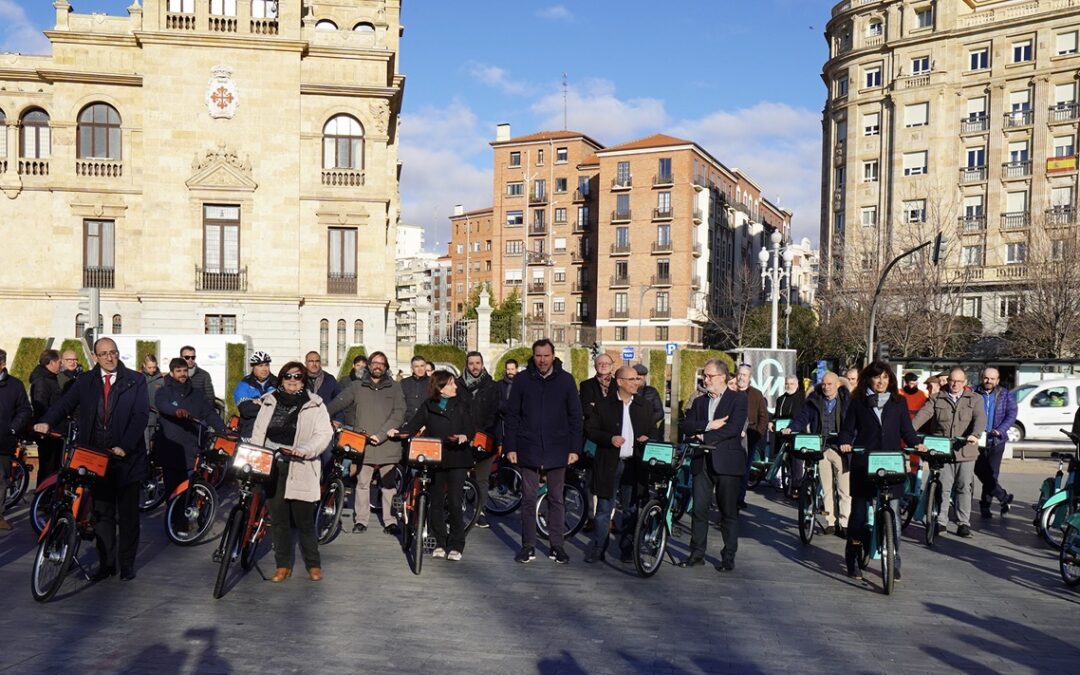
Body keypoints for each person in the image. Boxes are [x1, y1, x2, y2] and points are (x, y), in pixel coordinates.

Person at [35, 338, 149, 580]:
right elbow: (65, 404)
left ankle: (126, 563)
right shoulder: (86, 381)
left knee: (128, 516)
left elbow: (140, 416)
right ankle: (107, 563)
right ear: (95, 357)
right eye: (104, 353)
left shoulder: (135, 380)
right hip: (96, 458)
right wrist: (47, 421)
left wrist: (124, 446)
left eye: (113, 352)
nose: (110, 357)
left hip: (126, 458)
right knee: (102, 514)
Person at [838, 361, 925, 580]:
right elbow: (847, 429)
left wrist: (917, 444)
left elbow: (907, 430)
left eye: (885, 378)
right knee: (858, 516)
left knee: (894, 514)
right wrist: (845, 442)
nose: (881, 382)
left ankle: (893, 558)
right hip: (864, 463)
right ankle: (854, 556)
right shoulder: (857, 402)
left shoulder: (899, 402)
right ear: (868, 378)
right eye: (877, 377)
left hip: (891, 463)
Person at [249, 361, 334, 582]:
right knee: (278, 519)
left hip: (301, 464)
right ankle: (282, 565)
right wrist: (257, 456)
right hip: (273, 464)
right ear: (282, 379)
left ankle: (313, 565)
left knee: (304, 520)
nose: (292, 380)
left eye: (297, 377)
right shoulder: (269, 401)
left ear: (304, 380)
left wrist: (303, 451)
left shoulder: (315, 405)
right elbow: (259, 432)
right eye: (288, 376)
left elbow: (324, 434)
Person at [504, 339, 583, 564]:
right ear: (533, 355)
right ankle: (527, 546)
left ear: (553, 355)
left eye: (546, 356)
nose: (542, 360)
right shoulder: (521, 380)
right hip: (528, 446)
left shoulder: (566, 380)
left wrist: (575, 449)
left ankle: (557, 545)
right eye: (538, 356)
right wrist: (510, 446)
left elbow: (575, 417)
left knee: (556, 498)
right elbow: (512, 416)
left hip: (558, 447)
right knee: (528, 499)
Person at [677, 359, 748, 572]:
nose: (705, 380)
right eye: (704, 376)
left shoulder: (738, 399)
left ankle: (728, 556)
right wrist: (708, 425)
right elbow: (686, 425)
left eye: (709, 376)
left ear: (723, 377)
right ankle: (696, 553)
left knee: (728, 511)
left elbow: (733, 429)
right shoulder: (699, 402)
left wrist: (704, 435)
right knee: (699, 510)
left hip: (727, 462)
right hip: (702, 462)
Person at [327, 351, 406, 534]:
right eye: (374, 363)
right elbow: (338, 403)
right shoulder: (357, 386)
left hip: (387, 442)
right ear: (369, 365)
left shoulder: (395, 387)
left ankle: (390, 521)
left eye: (382, 363)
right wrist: (321, 414)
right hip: (364, 442)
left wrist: (381, 434)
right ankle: (361, 520)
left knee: (388, 485)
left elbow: (399, 413)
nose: (378, 366)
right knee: (362, 483)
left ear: (386, 367)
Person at [399, 370, 475, 560]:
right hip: (436, 457)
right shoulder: (428, 405)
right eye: (450, 384)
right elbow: (413, 425)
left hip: (458, 457)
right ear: (440, 388)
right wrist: (398, 432)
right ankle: (439, 541)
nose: (455, 387)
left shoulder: (461, 403)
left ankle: (457, 544)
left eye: (454, 383)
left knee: (456, 502)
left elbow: (471, 427)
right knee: (436, 501)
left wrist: (465, 436)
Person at [584, 365, 653, 563]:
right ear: (620, 381)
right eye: (631, 379)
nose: (636, 383)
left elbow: (654, 431)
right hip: (609, 463)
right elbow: (590, 430)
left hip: (634, 464)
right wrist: (610, 439)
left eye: (637, 379)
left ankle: (627, 549)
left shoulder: (644, 406)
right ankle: (598, 547)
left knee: (631, 509)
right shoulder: (603, 405)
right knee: (605, 507)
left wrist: (647, 437)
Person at [912, 367, 986, 538]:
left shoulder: (975, 399)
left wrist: (975, 435)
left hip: (965, 450)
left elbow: (980, 418)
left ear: (965, 383)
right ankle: (941, 522)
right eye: (952, 380)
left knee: (963, 487)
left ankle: (963, 523)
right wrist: (908, 432)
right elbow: (923, 415)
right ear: (947, 381)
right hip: (941, 449)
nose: (955, 384)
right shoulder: (937, 398)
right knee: (943, 487)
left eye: (959, 381)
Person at [783, 372, 850, 536]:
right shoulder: (814, 400)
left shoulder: (847, 401)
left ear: (838, 385)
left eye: (830, 384)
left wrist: (850, 441)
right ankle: (830, 522)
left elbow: (853, 424)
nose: (826, 387)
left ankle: (845, 522)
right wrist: (792, 428)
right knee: (826, 488)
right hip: (821, 448)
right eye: (824, 384)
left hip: (840, 448)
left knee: (844, 489)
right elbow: (802, 418)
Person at [154, 358, 226, 495]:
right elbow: (162, 405)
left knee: (187, 493)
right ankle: (172, 516)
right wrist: (176, 411)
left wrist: (223, 429)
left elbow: (209, 413)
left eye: (185, 370)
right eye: (178, 371)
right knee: (172, 493)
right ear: (171, 373)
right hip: (171, 450)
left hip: (191, 450)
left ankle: (184, 515)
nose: (182, 374)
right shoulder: (163, 391)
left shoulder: (197, 394)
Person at [456, 352, 499, 528]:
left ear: (482, 364)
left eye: (478, 363)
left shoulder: (492, 386)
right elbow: (455, 411)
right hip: (462, 438)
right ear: (466, 365)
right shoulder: (458, 385)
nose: (475, 366)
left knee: (482, 479)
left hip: (485, 438)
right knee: (458, 477)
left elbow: (495, 413)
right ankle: (456, 509)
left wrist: (481, 434)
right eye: (471, 363)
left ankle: (480, 511)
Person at [975, 367, 1018, 518]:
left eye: (992, 379)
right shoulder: (973, 393)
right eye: (986, 378)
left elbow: (1012, 413)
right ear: (982, 378)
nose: (989, 381)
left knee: (992, 474)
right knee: (980, 470)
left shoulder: (1005, 394)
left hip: (996, 440)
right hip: (976, 440)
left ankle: (985, 506)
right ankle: (1004, 497)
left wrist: (1001, 430)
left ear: (997, 380)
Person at [0, 348, 32, 531]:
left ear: (2, 364)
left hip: (3, 441)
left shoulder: (15, 385)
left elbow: (25, 410)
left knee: (1, 480)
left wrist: (12, 429)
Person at [737, 364, 769, 507]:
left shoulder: (756, 394)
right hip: (731, 437)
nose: (741, 377)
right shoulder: (731, 392)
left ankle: (739, 498)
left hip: (750, 437)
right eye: (739, 374)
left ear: (750, 378)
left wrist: (758, 434)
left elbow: (763, 416)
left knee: (744, 469)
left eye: (744, 375)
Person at [29, 349, 64, 481]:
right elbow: (40, 407)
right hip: (48, 432)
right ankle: (43, 499)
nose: (61, 365)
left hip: (54, 430)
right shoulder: (42, 381)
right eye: (60, 362)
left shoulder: (51, 378)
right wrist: (45, 426)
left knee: (53, 467)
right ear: (51, 362)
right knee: (48, 468)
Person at [233, 351, 276, 439]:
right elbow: (246, 410)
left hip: (272, 434)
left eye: (267, 365)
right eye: (260, 366)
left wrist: (260, 402)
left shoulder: (277, 383)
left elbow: (282, 408)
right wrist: (268, 404)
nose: (265, 369)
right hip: (250, 433)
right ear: (252, 367)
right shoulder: (244, 384)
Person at [579, 353, 618, 423]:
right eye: (600, 363)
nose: (603, 365)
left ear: (612, 366)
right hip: (593, 426)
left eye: (607, 363)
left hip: (615, 425)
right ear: (595, 366)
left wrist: (596, 405)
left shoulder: (618, 384)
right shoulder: (586, 385)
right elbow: (586, 409)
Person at [632, 363, 665, 435]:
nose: (640, 378)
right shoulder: (627, 391)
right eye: (637, 376)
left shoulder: (652, 391)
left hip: (649, 431)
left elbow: (659, 413)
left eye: (642, 376)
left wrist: (645, 423)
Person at [142, 354, 165, 452]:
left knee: (154, 445)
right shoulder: (139, 378)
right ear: (144, 365)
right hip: (142, 418)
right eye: (149, 367)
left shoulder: (161, 381)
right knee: (144, 446)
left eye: (154, 367)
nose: (152, 370)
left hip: (156, 418)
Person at [400, 356, 429, 423]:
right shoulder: (404, 382)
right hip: (408, 422)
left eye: (422, 366)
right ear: (412, 368)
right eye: (416, 366)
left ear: (425, 367)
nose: (420, 369)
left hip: (427, 424)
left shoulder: (433, 382)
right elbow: (400, 404)